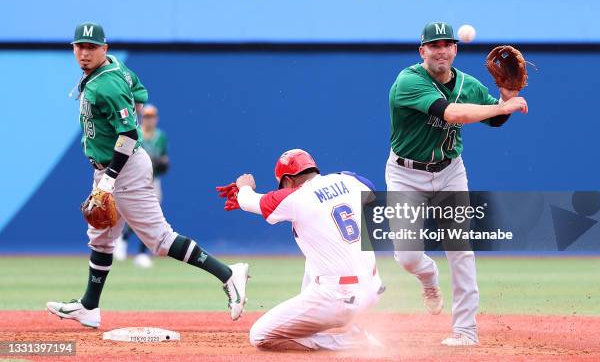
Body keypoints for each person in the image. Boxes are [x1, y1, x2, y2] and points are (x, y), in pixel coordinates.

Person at [46, 22, 249, 328]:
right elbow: (140, 92)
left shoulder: (107, 84)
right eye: (79, 46)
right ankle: (89, 306)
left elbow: (128, 133)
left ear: (105, 49)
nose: (84, 53)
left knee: (159, 239)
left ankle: (229, 274)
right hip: (109, 167)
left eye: (91, 47)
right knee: (101, 237)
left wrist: (111, 177)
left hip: (122, 168)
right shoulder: (115, 67)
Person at [385, 21, 528, 346]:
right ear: (423, 51)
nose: (441, 50)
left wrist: (507, 97)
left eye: (447, 44)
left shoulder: (467, 83)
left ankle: (466, 330)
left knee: (461, 250)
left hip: (450, 171)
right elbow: (452, 114)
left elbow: (495, 118)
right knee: (407, 257)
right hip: (406, 174)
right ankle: (427, 274)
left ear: (455, 50)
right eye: (434, 45)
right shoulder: (408, 80)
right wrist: (501, 105)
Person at [226, 149, 384, 351]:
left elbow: (247, 200)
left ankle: (352, 341)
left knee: (260, 336)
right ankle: (335, 325)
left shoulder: (296, 197)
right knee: (315, 249)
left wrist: (244, 186)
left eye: (282, 184)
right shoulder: (348, 179)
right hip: (373, 288)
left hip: (339, 300)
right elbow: (370, 190)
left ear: (289, 180)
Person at [114, 104, 169, 268]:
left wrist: (162, 163)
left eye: (152, 116)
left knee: (152, 216)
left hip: (153, 180)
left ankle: (142, 253)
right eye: (146, 116)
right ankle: (122, 239)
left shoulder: (161, 136)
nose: (149, 119)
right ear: (141, 117)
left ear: (156, 118)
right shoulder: (135, 133)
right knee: (134, 214)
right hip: (135, 179)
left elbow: (164, 158)